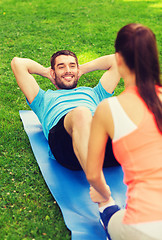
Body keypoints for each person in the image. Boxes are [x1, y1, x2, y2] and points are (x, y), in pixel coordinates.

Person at [86, 23, 162, 240]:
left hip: (145, 227)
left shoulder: (108, 109)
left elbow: (92, 173)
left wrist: (103, 193)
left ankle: (107, 207)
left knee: (109, 211)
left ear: (118, 59)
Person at [11, 50, 120, 172]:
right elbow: (18, 63)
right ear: (53, 72)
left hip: (103, 145)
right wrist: (47, 72)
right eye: (61, 67)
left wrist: (81, 69)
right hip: (68, 147)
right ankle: (94, 177)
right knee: (81, 113)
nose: (68, 70)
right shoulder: (42, 98)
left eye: (72, 66)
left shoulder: (94, 93)